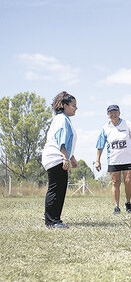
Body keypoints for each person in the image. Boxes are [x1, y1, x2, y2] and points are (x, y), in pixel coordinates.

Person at [95, 105, 131, 214]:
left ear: (119, 113)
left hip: (128, 158)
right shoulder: (105, 128)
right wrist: (98, 160)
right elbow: (100, 145)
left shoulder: (127, 124)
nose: (113, 114)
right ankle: (116, 206)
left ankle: (128, 202)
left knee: (128, 181)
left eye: (115, 112)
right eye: (111, 112)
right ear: (108, 114)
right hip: (114, 159)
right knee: (115, 182)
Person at [42, 91, 78, 229]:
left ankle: (50, 216)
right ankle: (52, 221)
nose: (76, 108)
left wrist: (72, 157)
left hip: (56, 157)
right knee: (56, 189)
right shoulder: (62, 119)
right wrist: (65, 158)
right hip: (56, 158)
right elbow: (61, 141)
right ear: (64, 105)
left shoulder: (62, 119)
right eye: (73, 105)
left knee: (57, 188)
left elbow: (67, 142)